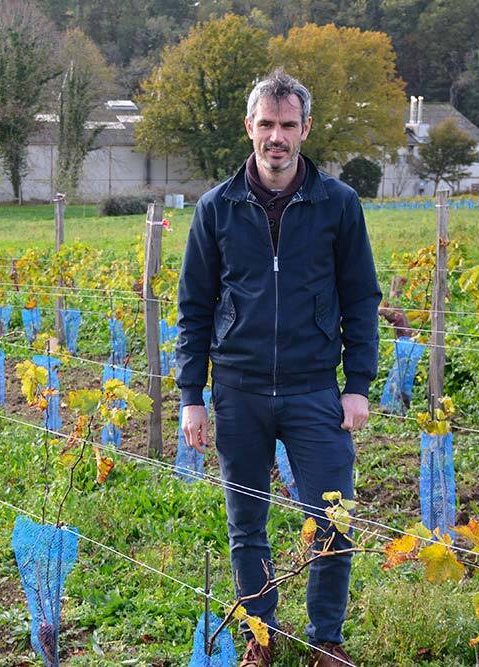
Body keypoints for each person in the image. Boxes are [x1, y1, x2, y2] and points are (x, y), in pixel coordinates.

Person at [175, 70, 381, 667]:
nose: (277, 137)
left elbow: (361, 297)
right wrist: (193, 394)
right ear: (249, 128)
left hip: (315, 389)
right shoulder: (216, 209)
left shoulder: (337, 204)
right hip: (237, 390)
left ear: (305, 129)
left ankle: (326, 640)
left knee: (333, 519)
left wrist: (358, 386)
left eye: (288, 125)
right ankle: (260, 637)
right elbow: (194, 306)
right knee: (247, 524)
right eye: (266, 124)